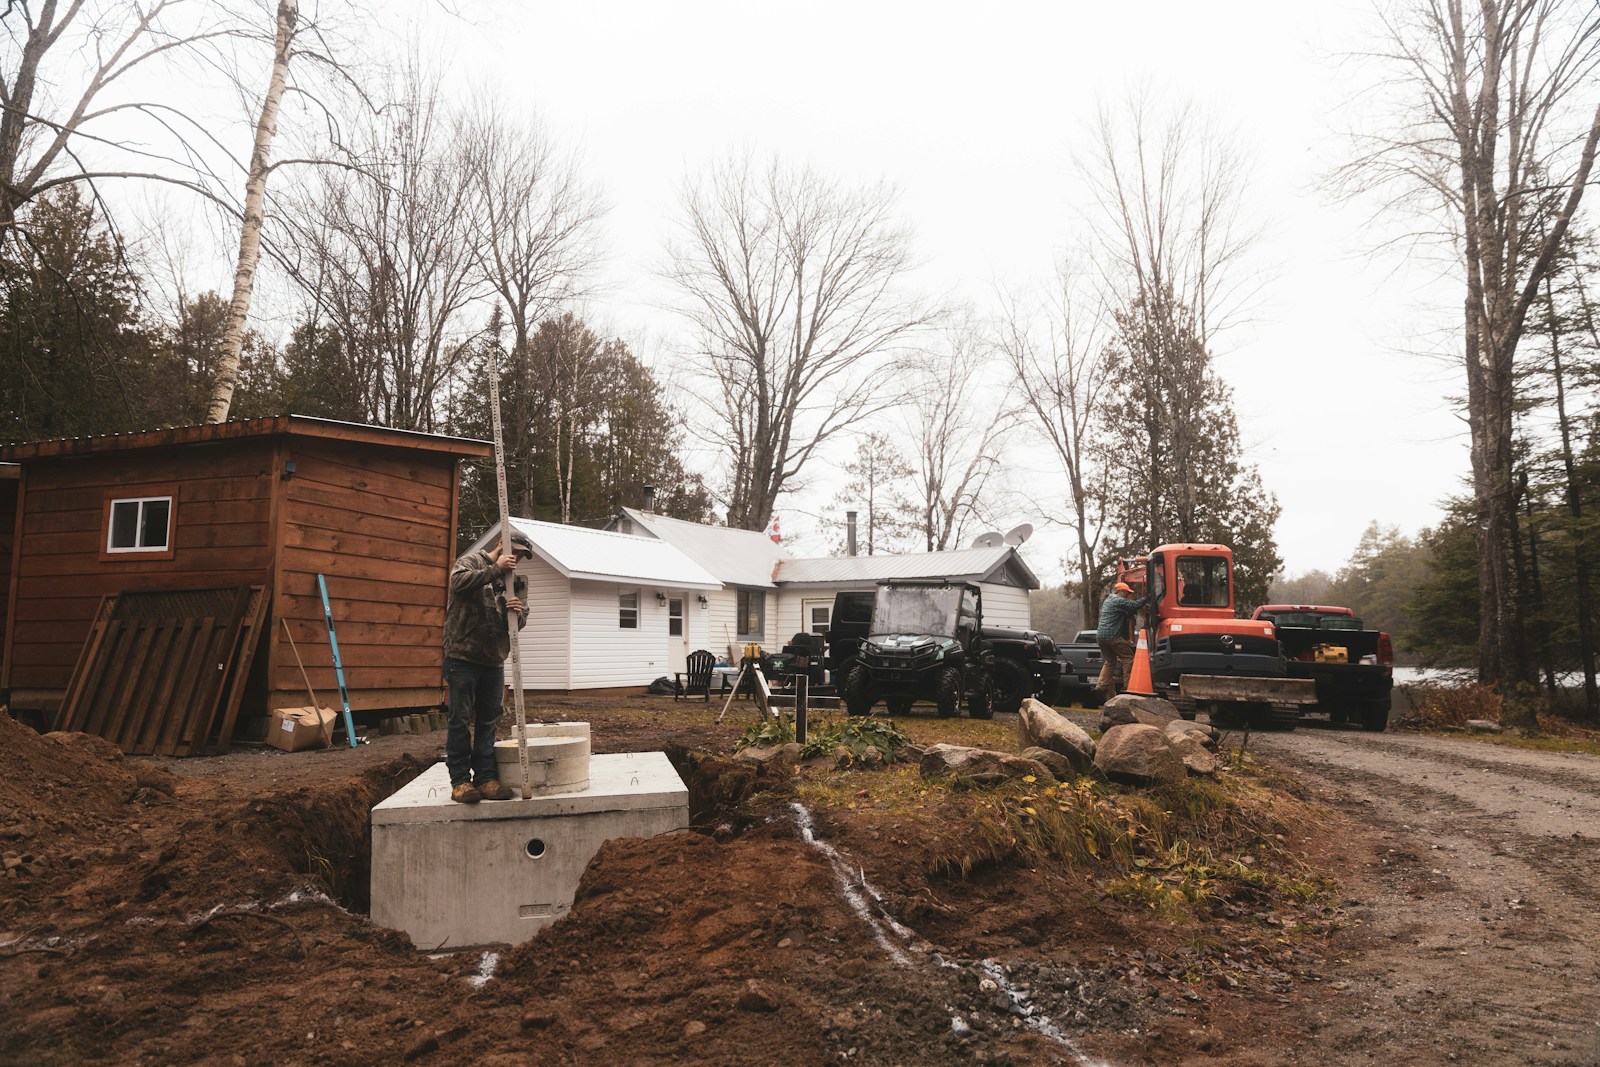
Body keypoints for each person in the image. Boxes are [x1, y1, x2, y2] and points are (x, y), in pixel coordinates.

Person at [442, 528, 532, 803]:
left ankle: (485, 777)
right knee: (459, 720)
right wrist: (495, 568)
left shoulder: (515, 581)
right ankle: (460, 782)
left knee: (488, 721)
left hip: (493, 660)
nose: (516, 557)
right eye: (513, 551)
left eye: (521, 555)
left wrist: (517, 613)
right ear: (500, 545)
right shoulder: (472, 562)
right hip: (463, 657)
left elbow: (518, 623)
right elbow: (458, 584)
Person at [1096, 581, 1151, 699]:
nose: (1127, 596)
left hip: (1100, 637)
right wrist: (1148, 597)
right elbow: (1133, 605)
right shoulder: (1117, 600)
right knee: (1128, 658)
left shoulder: (1108, 601)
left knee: (1110, 661)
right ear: (1120, 591)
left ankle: (1101, 684)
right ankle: (1128, 686)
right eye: (1126, 593)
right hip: (1113, 637)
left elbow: (1127, 612)